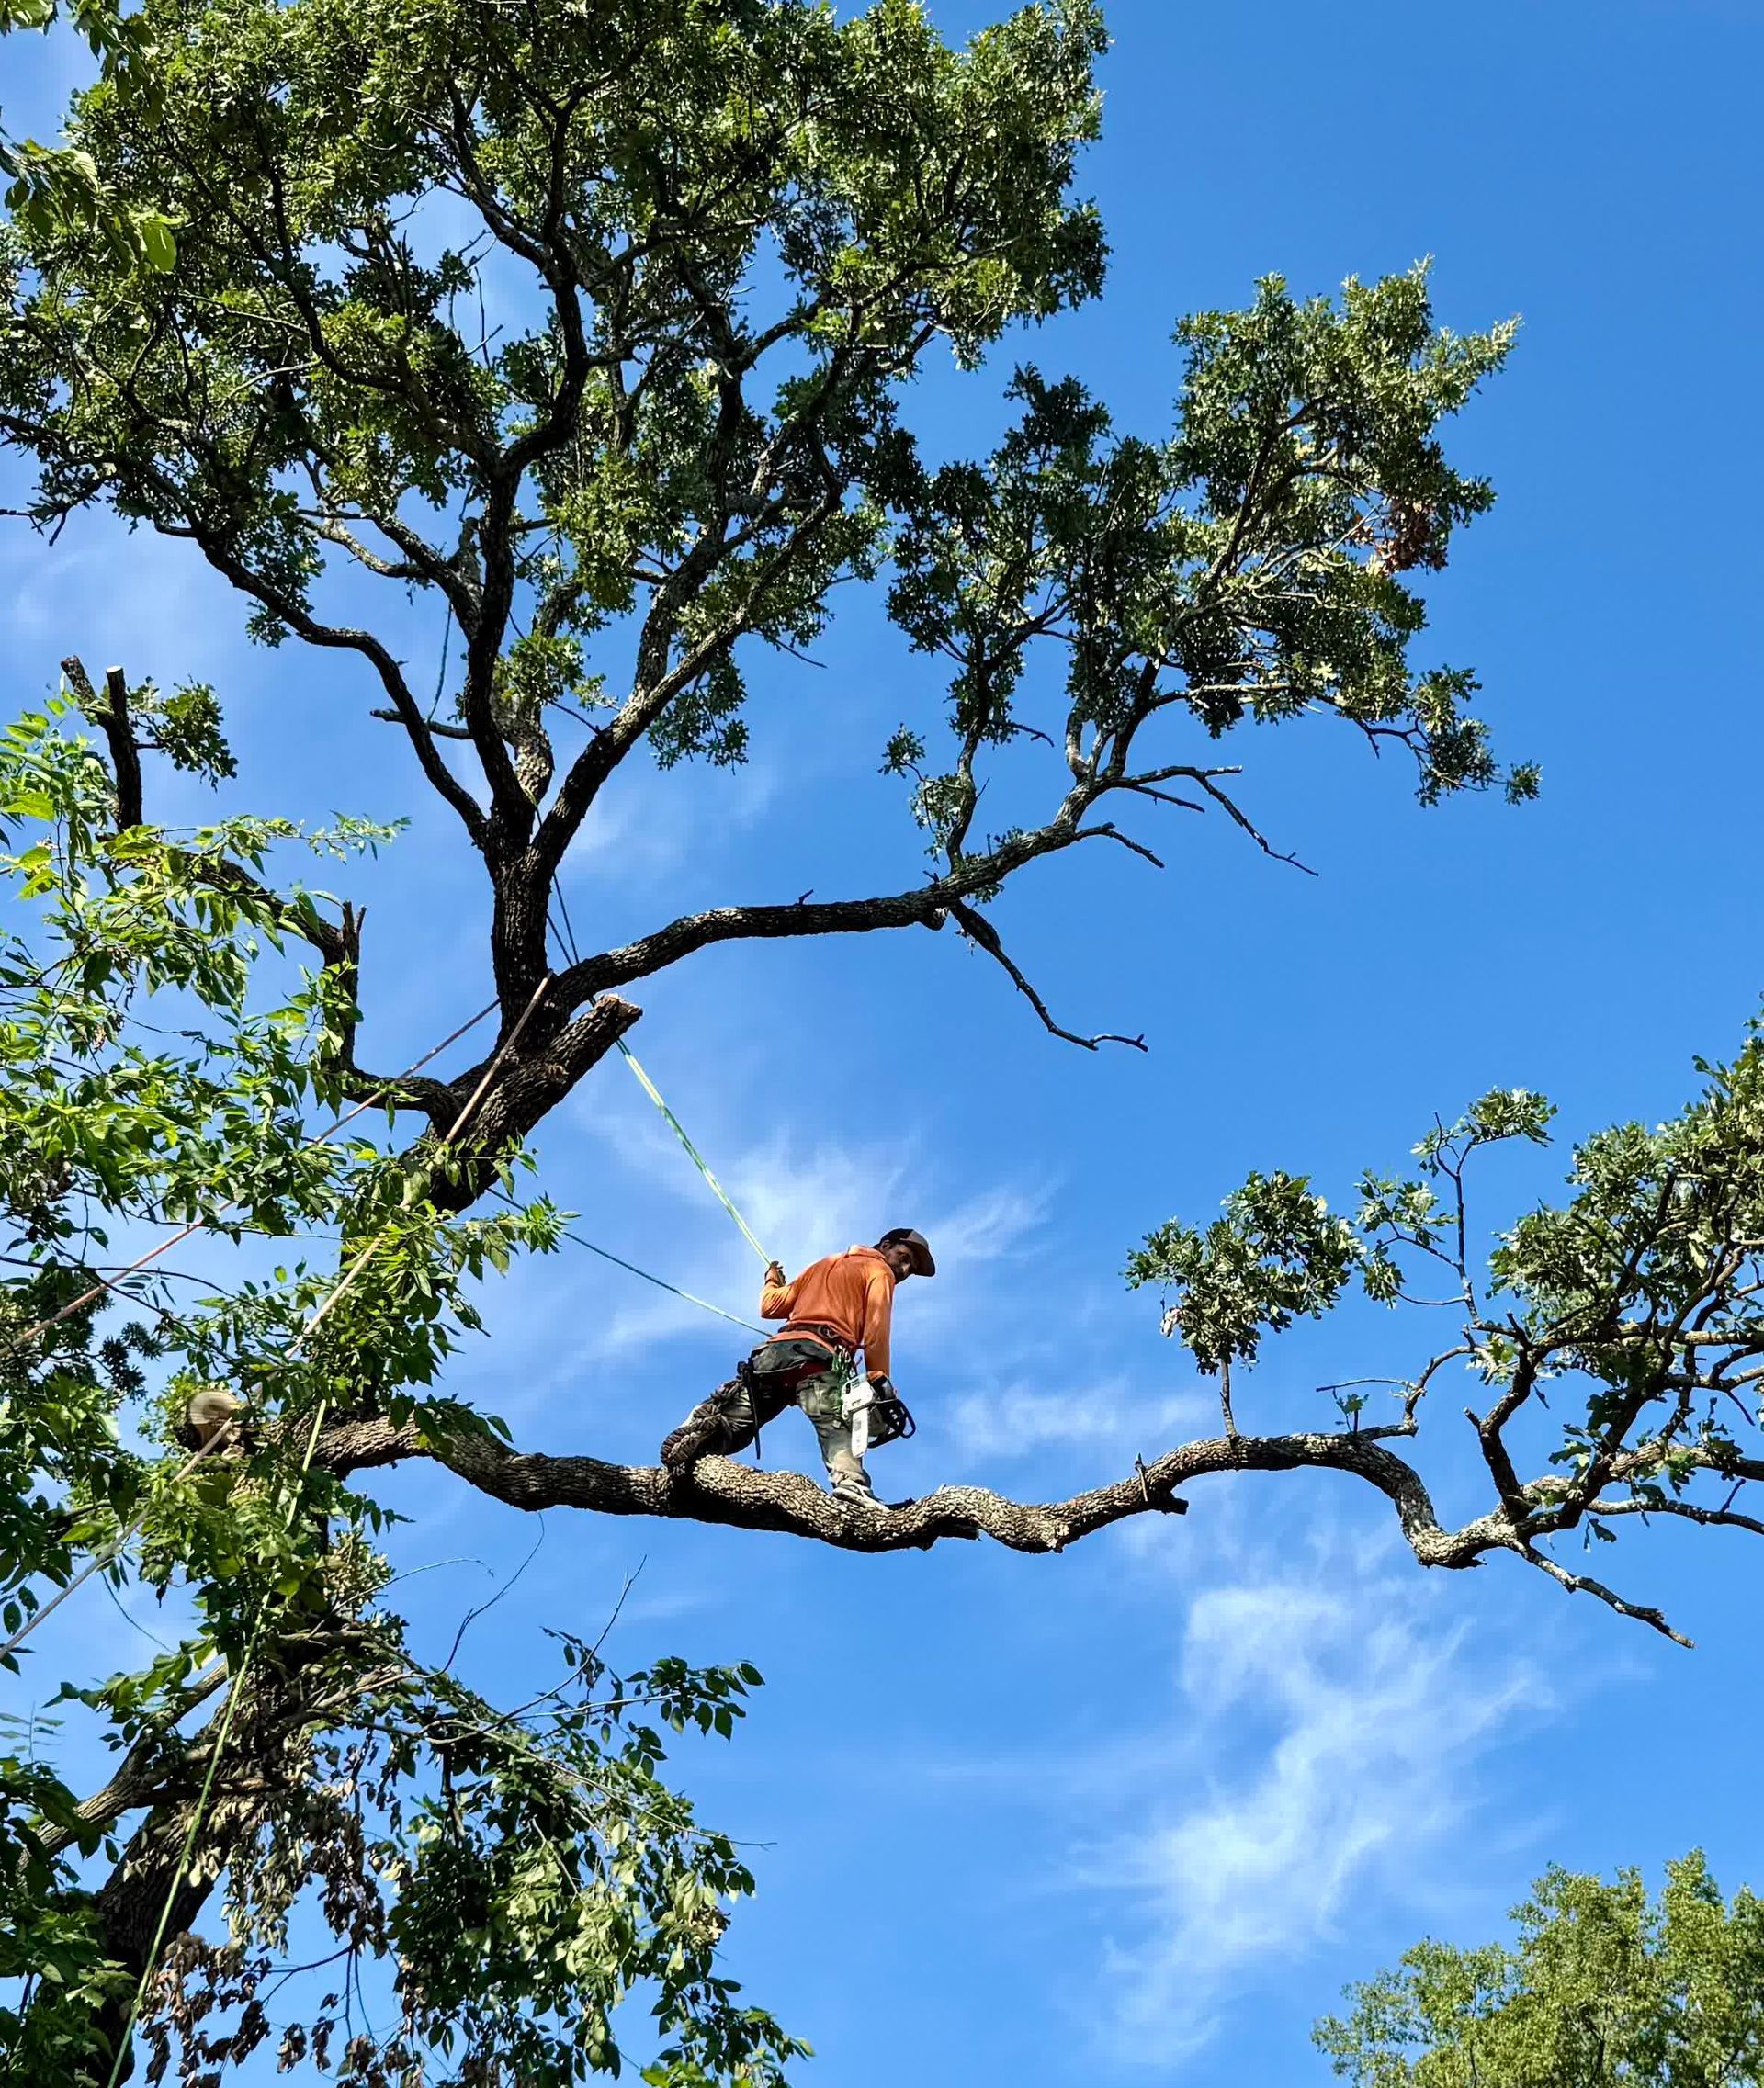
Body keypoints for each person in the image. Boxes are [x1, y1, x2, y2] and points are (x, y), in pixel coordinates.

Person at [659, 1227, 934, 1509]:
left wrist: (771, 1281)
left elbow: (771, 1306)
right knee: (837, 1425)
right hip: (817, 1360)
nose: (903, 1268)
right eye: (903, 1257)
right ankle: (852, 1487)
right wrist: (878, 1379)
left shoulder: (822, 1266)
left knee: (738, 1425)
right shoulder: (879, 1271)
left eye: (909, 1267)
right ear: (885, 1245)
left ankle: (705, 1430)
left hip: (773, 1357)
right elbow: (877, 1330)